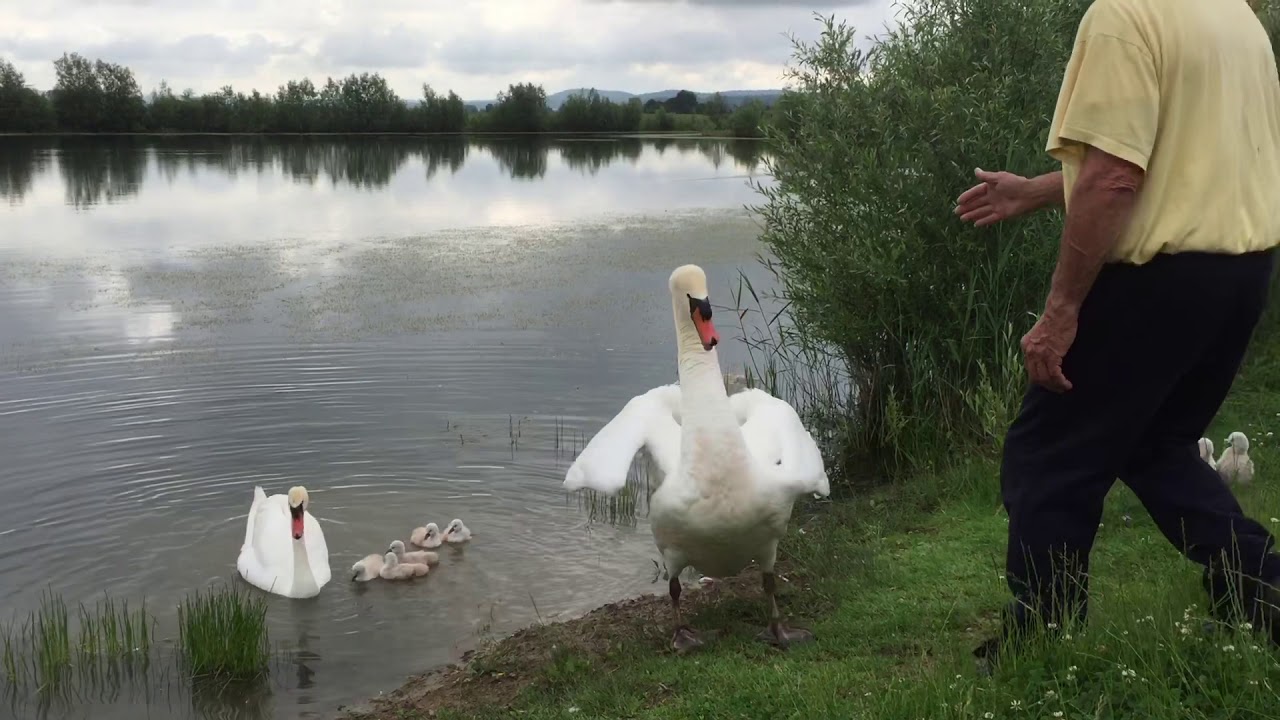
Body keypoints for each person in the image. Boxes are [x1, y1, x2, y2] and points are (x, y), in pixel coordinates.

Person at [954, 0, 1280, 671]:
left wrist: (1061, 309)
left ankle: (1043, 638)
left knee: (1049, 455)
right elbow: (1179, 161)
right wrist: (1039, 191)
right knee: (1156, 446)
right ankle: (1264, 592)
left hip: (1158, 280)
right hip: (1243, 272)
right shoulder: (1234, 19)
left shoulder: (1123, 16)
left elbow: (1115, 178)